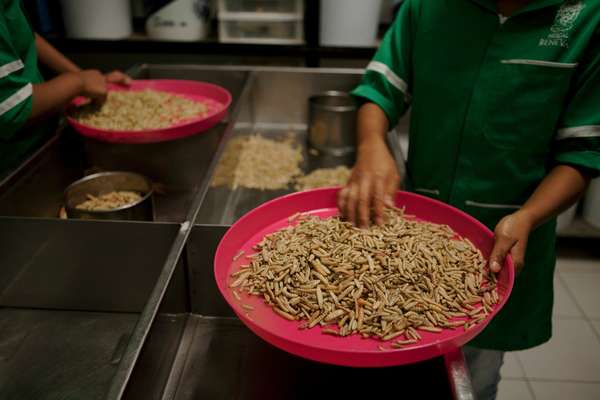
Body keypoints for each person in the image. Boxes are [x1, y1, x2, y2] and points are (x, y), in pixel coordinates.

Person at [338, 0, 599, 398]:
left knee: (472, 375)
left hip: (500, 246)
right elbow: (381, 87)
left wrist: (528, 217)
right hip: (410, 236)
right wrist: (371, 142)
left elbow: (582, 152)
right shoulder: (427, 7)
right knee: (388, 351)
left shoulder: (588, 17)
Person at [0, 0, 130, 174]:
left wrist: (87, 79)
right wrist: (79, 82)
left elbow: (21, 32)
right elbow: (10, 108)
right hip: (11, 164)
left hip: (37, 140)